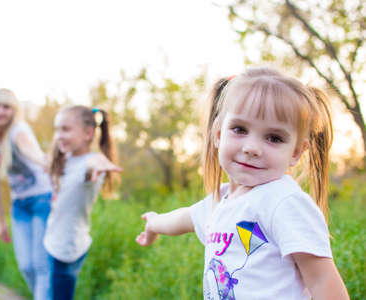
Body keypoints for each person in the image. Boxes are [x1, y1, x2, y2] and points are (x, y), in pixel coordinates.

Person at [136, 68, 349, 299]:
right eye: (240, 129)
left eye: (274, 138)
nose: (252, 148)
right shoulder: (220, 202)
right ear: (218, 134)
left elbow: (322, 280)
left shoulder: (283, 202)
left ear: (296, 152)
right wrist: (154, 223)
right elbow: (182, 218)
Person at [0, 88, 53, 300]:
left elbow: (32, 152)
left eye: (6, 107)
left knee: (41, 264)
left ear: (14, 111)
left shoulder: (18, 131)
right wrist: (0, 221)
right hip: (19, 204)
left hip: (42, 199)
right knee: (26, 266)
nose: (0, 111)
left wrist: (44, 161)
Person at [43, 105, 121, 300]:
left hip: (66, 250)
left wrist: (100, 164)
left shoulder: (91, 161)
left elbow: (93, 164)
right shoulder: (65, 159)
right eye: (57, 129)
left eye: (66, 129)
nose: (59, 135)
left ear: (88, 133)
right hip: (55, 241)